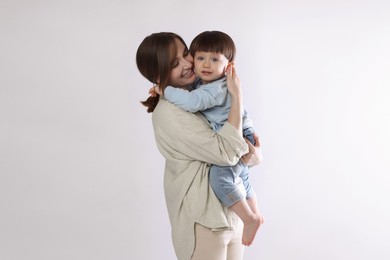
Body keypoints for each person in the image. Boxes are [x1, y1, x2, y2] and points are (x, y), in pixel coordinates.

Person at [136, 32, 262, 260]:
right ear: (158, 74)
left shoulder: (203, 91)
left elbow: (252, 158)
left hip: (232, 216)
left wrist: (249, 149)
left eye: (186, 54)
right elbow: (226, 153)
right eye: (175, 63)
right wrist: (238, 97)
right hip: (204, 221)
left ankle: (253, 215)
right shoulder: (170, 113)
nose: (188, 63)